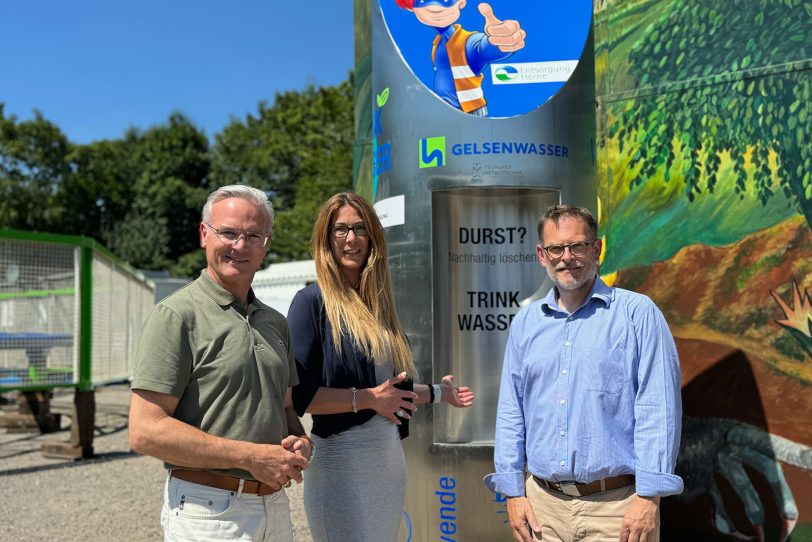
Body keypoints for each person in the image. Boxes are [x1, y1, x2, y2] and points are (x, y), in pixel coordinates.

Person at [484, 204, 683, 542]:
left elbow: (658, 409)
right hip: (542, 507)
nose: (567, 257)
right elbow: (511, 413)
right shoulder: (526, 325)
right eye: (556, 248)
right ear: (541, 255)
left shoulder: (638, 315)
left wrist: (649, 498)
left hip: (617, 510)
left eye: (577, 246)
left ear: (597, 248)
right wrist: (514, 493)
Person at [128, 185, 313, 542]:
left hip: (274, 506)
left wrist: (299, 441)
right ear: (204, 234)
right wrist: (250, 457)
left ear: (266, 243)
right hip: (209, 512)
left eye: (253, 235)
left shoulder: (275, 322)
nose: (240, 246)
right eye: (228, 232)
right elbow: (144, 431)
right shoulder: (176, 316)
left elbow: (286, 407)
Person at [288, 192, 475, 542]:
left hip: (387, 461)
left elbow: (389, 394)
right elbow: (300, 396)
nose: (351, 238)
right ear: (326, 239)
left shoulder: (379, 306)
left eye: (360, 228)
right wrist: (369, 398)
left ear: (373, 235)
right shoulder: (311, 302)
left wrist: (438, 393)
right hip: (340, 465)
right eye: (340, 229)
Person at [395, 0, 526, 116]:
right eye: (423, 0)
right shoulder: (438, 43)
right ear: (413, 8)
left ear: (461, 2)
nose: (435, 7)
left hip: (468, 113)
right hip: (444, 112)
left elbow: (482, 49)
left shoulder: (465, 42)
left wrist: (498, 42)